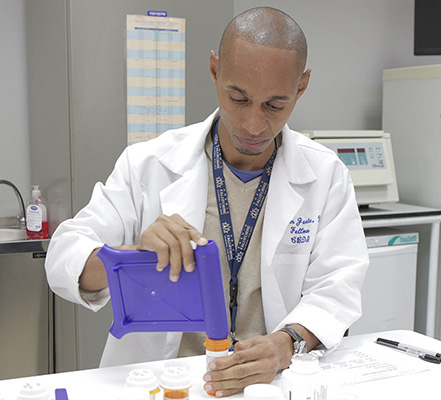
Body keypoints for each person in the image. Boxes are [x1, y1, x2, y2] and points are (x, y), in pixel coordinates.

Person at [45, 6, 368, 398]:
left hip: (265, 384)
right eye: (238, 97)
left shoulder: (325, 175)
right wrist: (131, 257)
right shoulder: (149, 163)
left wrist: (286, 343)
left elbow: (338, 287)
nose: (253, 125)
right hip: (166, 385)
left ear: (301, 86)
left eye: (274, 105)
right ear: (215, 70)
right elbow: (63, 255)